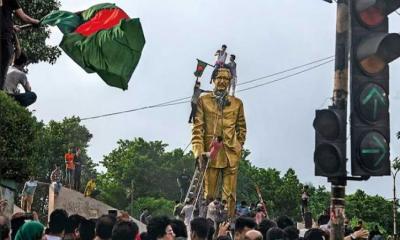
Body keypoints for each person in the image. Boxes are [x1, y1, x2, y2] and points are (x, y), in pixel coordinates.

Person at [192, 67, 247, 217]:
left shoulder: (237, 103)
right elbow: (197, 129)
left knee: (229, 196)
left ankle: (227, 227)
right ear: (213, 80)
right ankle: (207, 228)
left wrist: (238, 146)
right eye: (220, 78)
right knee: (209, 195)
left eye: (226, 79)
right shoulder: (203, 100)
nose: (223, 81)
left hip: (231, 154)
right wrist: (199, 152)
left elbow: (242, 128)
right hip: (211, 154)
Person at [0, 0, 40, 90]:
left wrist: (11, 27)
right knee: (2, 70)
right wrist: (36, 22)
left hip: (6, 35)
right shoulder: (19, 73)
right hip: (4, 39)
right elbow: (24, 18)